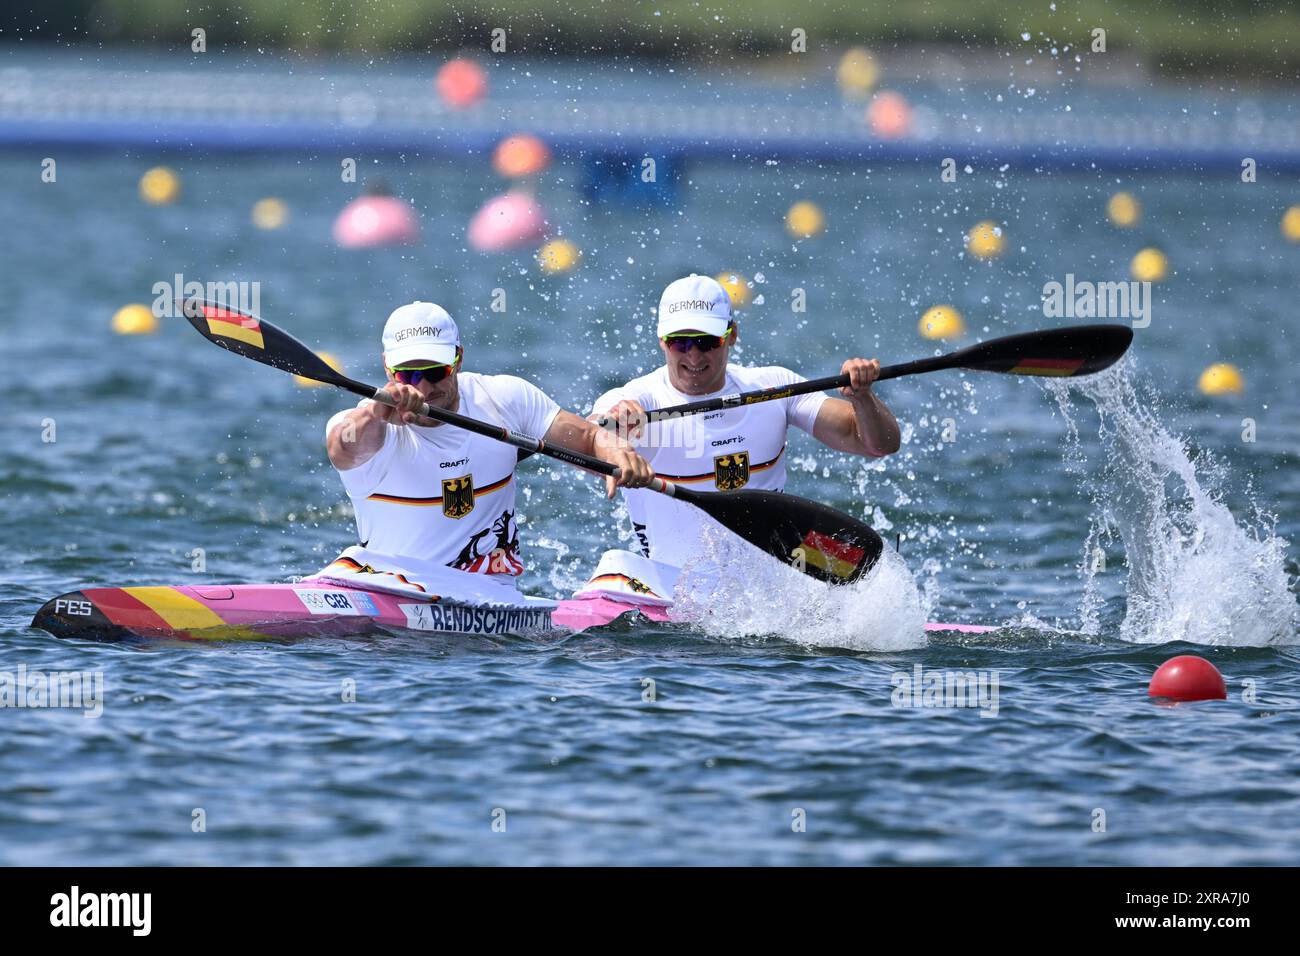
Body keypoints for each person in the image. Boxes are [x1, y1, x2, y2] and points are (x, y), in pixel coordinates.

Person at [325, 301, 654, 585]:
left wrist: (619, 453)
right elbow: (341, 447)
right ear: (387, 367)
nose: (423, 388)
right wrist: (376, 414)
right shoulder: (368, 427)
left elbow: (588, 437)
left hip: (487, 596)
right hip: (394, 593)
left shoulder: (504, 400)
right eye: (408, 375)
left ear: (458, 359)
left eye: (436, 372)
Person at [590, 274, 900, 571]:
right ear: (662, 341)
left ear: (732, 335)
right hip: (671, 594)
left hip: (767, 592)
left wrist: (862, 398)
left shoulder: (774, 388)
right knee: (614, 563)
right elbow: (592, 435)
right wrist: (615, 446)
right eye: (680, 343)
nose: (694, 356)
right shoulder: (638, 399)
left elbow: (876, 443)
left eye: (707, 341)